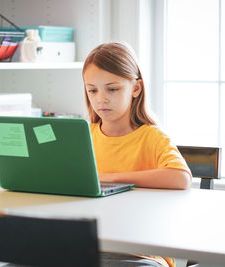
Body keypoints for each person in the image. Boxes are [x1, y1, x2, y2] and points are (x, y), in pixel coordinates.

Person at [82, 42, 191, 267]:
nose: (101, 98)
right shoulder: (83, 136)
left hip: (141, 253)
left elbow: (180, 178)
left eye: (112, 89)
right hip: (90, 246)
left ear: (136, 89)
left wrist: (110, 178)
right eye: (92, 90)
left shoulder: (151, 137)